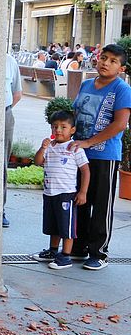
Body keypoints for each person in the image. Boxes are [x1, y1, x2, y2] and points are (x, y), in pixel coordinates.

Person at [70, 43, 131, 270]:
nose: (106, 63)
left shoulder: (122, 89)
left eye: (113, 61)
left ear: (121, 69)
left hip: (105, 155)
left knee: (102, 204)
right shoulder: (86, 84)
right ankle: (78, 247)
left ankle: (99, 252)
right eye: (104, 58)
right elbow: (75, 114)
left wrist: (89, 142)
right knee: (79, 199)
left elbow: (119, 124)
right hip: (79, 154)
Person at [31, 111, 90, 269]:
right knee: (53, 224)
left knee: (66, 226)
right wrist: (42, 148)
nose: (58, 130)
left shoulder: (75, 148)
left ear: (72, 130)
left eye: (63, 127)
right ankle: (52, 250)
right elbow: (38, 162)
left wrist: (82, 192)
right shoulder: (50, 147)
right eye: (54, 127)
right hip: (50, 193)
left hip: (66, 194)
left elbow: (85, 171)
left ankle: (65, 256)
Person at [3, 53, 22, 228]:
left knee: (1, 164)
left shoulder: (10, 61)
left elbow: (17, 92)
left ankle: (0, 208)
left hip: (5, 113)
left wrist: (5, 109)